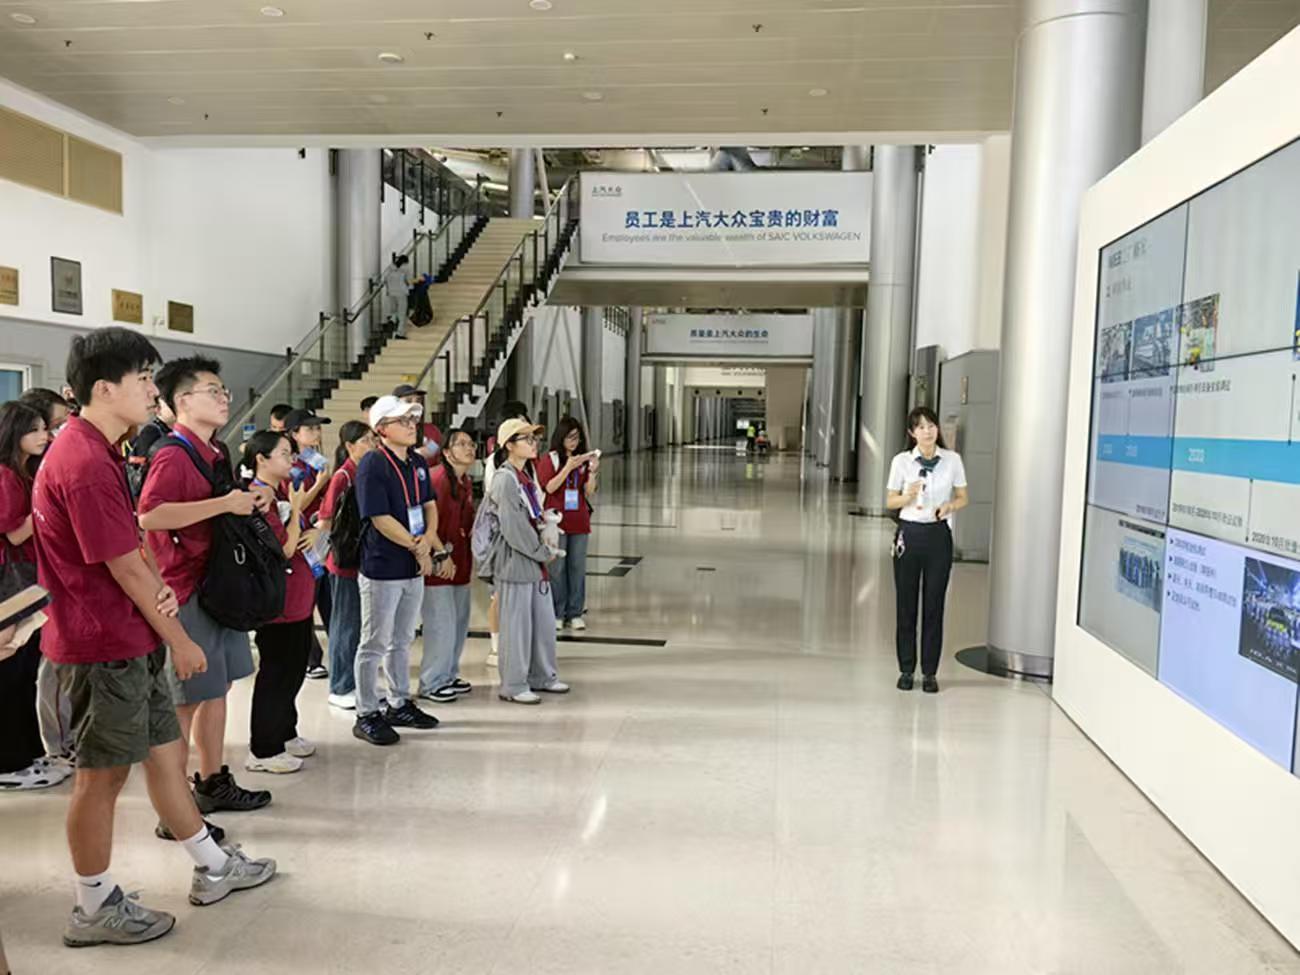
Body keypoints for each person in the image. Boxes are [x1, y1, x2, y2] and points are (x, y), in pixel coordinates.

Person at [31, 327, 275, 948]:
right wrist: (179, 637)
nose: (152, 390)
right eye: (142, 379)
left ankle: (213, 865)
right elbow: (123, 565)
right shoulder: (84, 461)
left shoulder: (103, 448)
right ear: (104, 389)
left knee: (167, 755)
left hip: (129, 635)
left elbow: (132, 546)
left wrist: (158, 592)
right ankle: (92, 905)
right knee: (101, 777)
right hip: (102, 645)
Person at [138, 356, 272, 824]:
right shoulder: (173, 454)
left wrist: (249, 499)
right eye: (213, 391)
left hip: (218, 585)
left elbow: (219, 506)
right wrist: (224, 504)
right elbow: (150, 516)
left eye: (223, 391)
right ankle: (173, 810)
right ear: (182, 401)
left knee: (218, 688)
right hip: (186, 590)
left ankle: (213, 781)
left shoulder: (215, 450)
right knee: (185, 700)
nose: (223, 399)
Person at [352, 395, 442, 745]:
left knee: (402, 639)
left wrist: (428, 540)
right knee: (374, 642)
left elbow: (429, 505)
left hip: (411, 564)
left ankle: (399, 703)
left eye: (412, 420)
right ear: (382, 429)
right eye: (402, 421)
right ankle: (366, 712)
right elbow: (379, 518)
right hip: (383, 566)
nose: (411, 425)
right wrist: (418, 546)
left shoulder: (416, 461)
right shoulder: (373, 463)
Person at [0, 400, 71, 790]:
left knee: (25, 671)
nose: (45, 436)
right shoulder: (7, 476)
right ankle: (11, 763)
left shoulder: (24, 473)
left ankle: (29, 754)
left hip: (26, 583)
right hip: (11, 584)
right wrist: (47, 506)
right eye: (36, 430)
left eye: (46, 428)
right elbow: (14, 533)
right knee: (12, 673)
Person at [241, 431, 319, 774]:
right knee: (276, 673)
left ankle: (285, 732)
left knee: (294, 669)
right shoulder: (257, 499)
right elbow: (284, 548)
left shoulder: (279, 491)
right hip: (278, 603)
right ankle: (264, 748)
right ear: (261, 458)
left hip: (298, 598)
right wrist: (298, 508)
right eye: (284, 454)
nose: (292, 460)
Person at [885, 406, 969, 694]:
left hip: (938, 536)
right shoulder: (902, 462)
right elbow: (890, 501)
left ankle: (930, 672)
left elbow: (963, 496)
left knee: (934, 606)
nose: (927, 431)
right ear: (912, 433)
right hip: (909, 534)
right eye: (920, 427)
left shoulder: (952, 460)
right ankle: (906, 669)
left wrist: (950, 506)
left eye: (931, 425)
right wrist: (906, 496)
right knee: (906, 605)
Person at [490, 418, 569, 705]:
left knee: (542, 623)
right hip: (516, 562)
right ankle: (513, 685)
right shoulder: (505, 479)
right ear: (509, 445)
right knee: (517, 627)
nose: (534, 444)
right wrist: (541, 551)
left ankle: (542, 675)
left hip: (535, 561)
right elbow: (513, 527)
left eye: (535, 439)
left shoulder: (525, 476)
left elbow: (529, 517)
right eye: (526, 439)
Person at [319, 420, 376, 710]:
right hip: (344, 562)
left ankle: (357, 682)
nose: (372, 444)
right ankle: (340, 686)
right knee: (346, 624)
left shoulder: (367, 472)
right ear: (350, 446)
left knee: (361, 626)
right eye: (365, 440)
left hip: (364, 560)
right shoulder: (343, 476)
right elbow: (326, 519)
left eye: (373, 439)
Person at [417, 428, 476, 704]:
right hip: (438, 564)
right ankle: (432, 681)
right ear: (447, 452)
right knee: (441, 624)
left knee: (458, 622)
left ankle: (449, 673)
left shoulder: (464, 482)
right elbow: (426, 525)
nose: (469, 448)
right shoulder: (437, 479)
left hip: (460, 562)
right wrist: (440, 555)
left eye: (471, 443)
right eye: (461, 444)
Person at [535, 416, 600, 632]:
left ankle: (575, 612)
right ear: (561, 437)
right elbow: (549, 487)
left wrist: (592, 471)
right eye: (570, 437)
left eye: (577, 437)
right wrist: (567, 468)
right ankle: (557, 612)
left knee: (577, 567)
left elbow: (589, 491)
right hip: (556, 522)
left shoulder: (582, 461)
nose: (574, 442)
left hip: (579, 520)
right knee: (557, 568)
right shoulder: (550, 459)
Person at [483, 400, 534, 667]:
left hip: (526, 534)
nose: (530, 437)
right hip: (504, 538)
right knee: (499, 594)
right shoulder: (498, 467)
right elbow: (500, 505)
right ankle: (496, 646)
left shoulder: (527, 465)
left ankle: (517, 646)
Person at [283, 408, 332, 680]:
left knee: (326, 597)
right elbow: (296, 504)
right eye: (310, 428)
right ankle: (311, 659)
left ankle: (338, 655)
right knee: (307, 599)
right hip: (301, 538)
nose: (316, 433)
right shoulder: (292, 466)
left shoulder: (316, 460)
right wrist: (321, 482)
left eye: (317, 428)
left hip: (321, 535)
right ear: (294, 434)